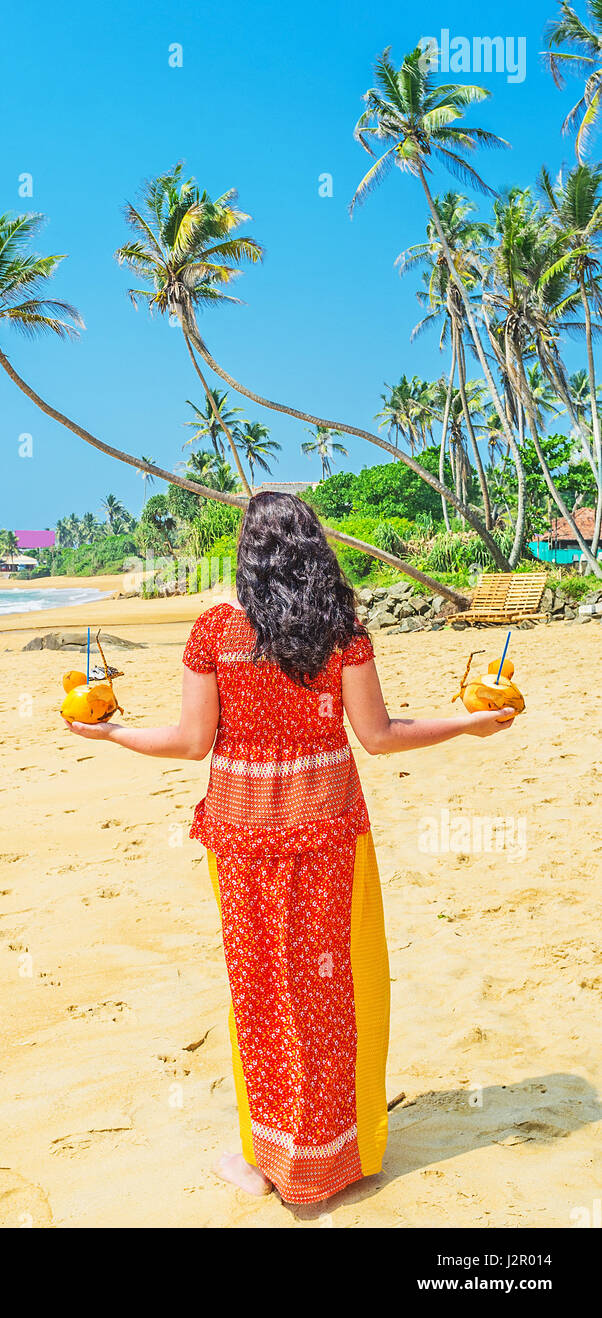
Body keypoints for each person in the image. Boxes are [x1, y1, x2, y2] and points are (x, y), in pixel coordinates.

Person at [63, 491, 515, 1205]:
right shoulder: (342, 631)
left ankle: (271, 1160)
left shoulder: (215, 631)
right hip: (329, 830)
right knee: (335, 987)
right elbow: (380, 735)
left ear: (247, 554)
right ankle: (341, 1151)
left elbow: (189, 743)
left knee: (263, 992)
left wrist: (112, 733)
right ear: (312, 550)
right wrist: (466, 724)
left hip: (242, 840)